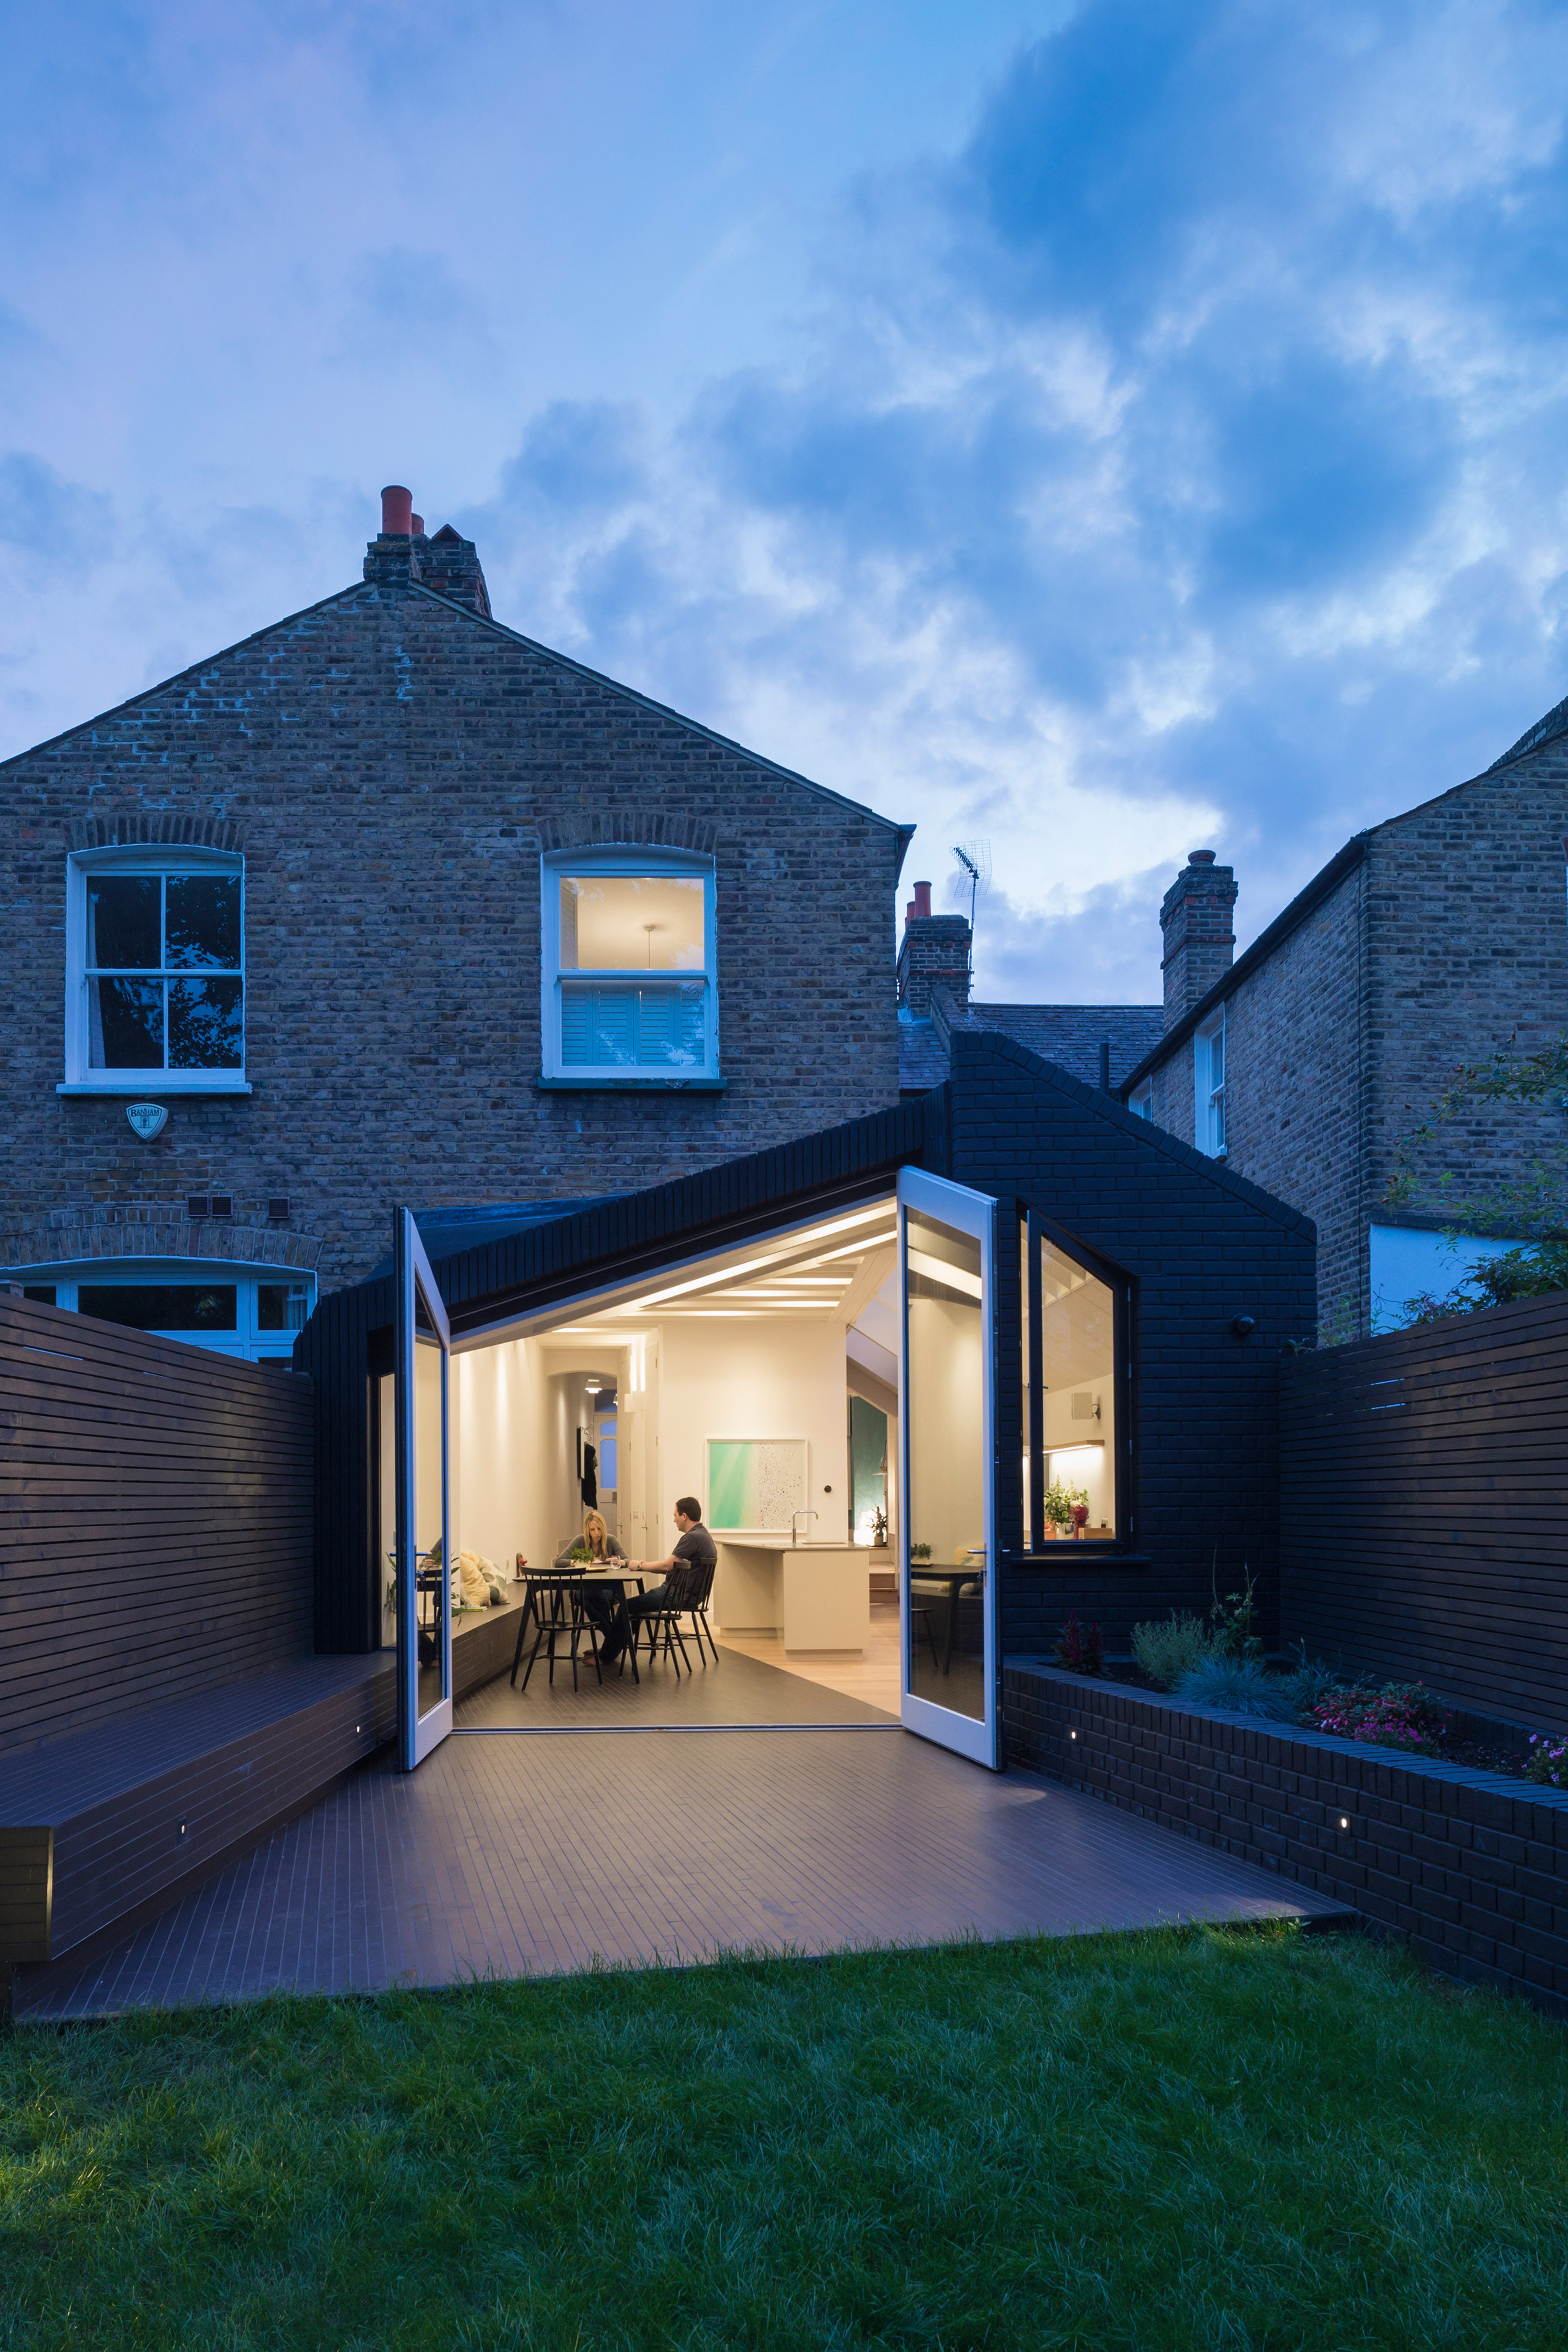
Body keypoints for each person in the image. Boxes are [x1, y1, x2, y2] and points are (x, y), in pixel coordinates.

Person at [598, 1496, 716, 1670]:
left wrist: (639, 1565)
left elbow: (667, 1566)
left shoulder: (692, 1538)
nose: (674, 1519)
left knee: (627, 1606)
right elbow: (668, 1566)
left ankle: (606, 1655)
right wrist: (642, 1564)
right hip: (688, 1596)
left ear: (684, 1516)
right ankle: (611, 1649)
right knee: (636, 1606)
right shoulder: (703, 1535)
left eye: (675, 1515)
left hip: (676, 1596)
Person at [570, 1509, 627, 1650]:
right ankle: (613, 1640)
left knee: (589, 1601)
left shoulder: (611, 1540)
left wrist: (616, 1561)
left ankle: (609, 1640)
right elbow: (559, 1561)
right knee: (590, 1594)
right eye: (592, 1529)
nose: (597, 1533)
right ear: (587, 1530)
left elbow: (627, 1559)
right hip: (582, 1588)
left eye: (599, 1529)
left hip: (605, 1587)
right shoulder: (580, 1540)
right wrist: (578, 1562)